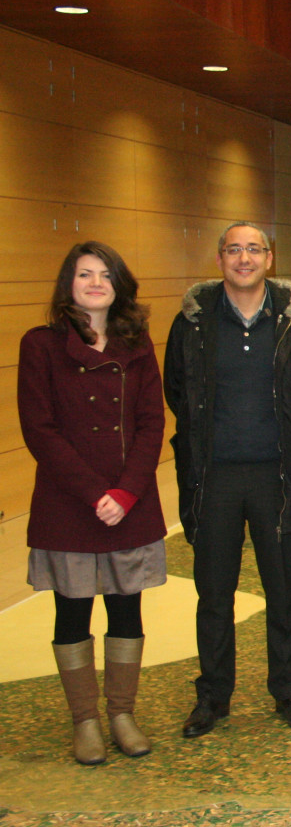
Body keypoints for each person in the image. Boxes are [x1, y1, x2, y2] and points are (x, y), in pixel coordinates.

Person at [165, 221, 291, 738]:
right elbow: (178, 393)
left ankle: (289, 691)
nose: (245, 258)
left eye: (254, 249)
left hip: (279, 475)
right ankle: (212, 696)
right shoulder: (191, 323)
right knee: (213, 595)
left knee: (284, 590)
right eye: (235, 249)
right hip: (215, 479)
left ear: (270, 258)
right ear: (220, 259)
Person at [19, 243, 166, 765]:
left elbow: (152, 422)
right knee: (72, 612)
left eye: (106, 275)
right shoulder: (40, 345)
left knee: (128, 609)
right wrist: (93, 493)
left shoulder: (138, 343)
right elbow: (39, 429)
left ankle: (122, 713)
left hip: (131, 501)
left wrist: (126, 491)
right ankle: (85, 720)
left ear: (119, 285)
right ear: (69, 284)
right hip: (69, 504)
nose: (95, 282)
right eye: (85, 274)